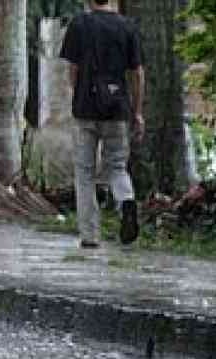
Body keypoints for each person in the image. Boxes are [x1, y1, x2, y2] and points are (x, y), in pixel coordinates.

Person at [59, 0, 144, 248]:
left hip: (86, 109)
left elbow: (73, 69)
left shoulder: (79, 24)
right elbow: (138, 74)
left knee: (84, 172)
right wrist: (137, 112)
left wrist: (78, 93)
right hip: (117, 109)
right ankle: (126, 200)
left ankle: (90, 235)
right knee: (117, 166)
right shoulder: (127, 27)